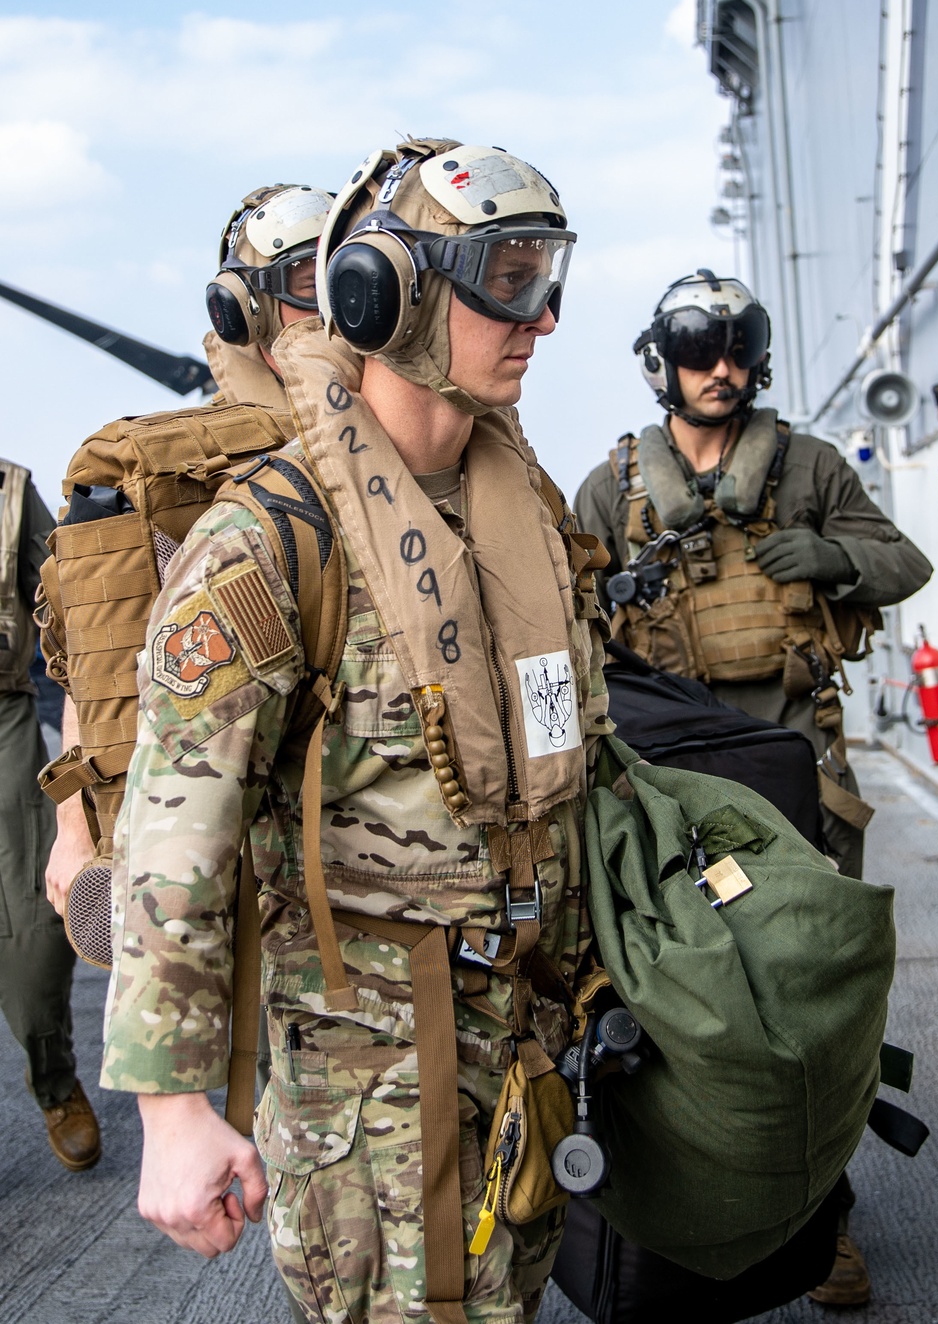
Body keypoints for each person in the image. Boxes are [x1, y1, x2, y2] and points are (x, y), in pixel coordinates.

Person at [100, 139, 609, 1324]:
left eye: (549, 275)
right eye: (509, 278)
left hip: (530, 1035)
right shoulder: (273, 542)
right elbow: (174, 836)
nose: (540, 317)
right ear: (393, 293)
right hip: (375, 1083)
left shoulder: (518, 514)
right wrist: (172, 1112)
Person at [573, 268, 932, 1307]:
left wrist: (828, 555)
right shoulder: (613, 492)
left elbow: (899, 561)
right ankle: (674, 1225)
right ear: (664, 362)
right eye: (700, 350)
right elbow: (564, 604)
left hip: (790, 760)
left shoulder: (810, 468)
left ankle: (824, 1224)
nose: (720, 369)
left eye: (736, 349)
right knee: (674, 1011)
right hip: (668, 784)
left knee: (817, 998)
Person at [44, 182, 334, 922]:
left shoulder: (409, 450)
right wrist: (78, 828)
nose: (330, 311)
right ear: (244, 309)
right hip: (228, 851)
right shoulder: (162, 480)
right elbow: (94, 667)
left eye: (343, 276)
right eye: (306, 285)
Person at [0, 458, 101, 1170]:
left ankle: (56, 1081)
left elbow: (73, 590)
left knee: (37, 929)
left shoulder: (9, 491)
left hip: (5, 720)